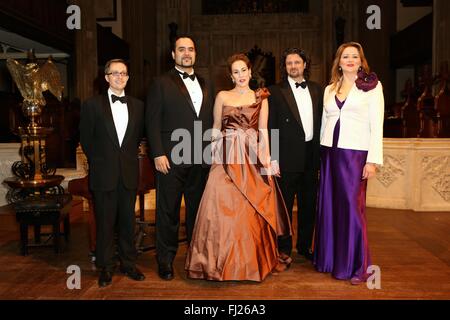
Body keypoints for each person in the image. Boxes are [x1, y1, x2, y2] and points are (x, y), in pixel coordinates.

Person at [185, 53, 292, 282]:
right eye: (236, 72)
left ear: (250, 72)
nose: (241, 75)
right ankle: (218, 263)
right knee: (220, 207)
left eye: (244, 70)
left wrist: (268, 161)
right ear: (231, 75)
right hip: (225, 155)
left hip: (251, 156)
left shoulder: (261, 97)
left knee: (249, 210)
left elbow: (263, 131)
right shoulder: (222, 96)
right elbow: (215, 127)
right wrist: (211, 153)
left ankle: (248, 265)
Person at [313, 42, 384, 284]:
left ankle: (356, 266)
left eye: (355, 56)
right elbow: (325, 122)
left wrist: (372, 161)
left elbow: (377, 126)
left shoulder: (372, 87)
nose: (351, 60)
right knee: (330, 206)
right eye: (346, 56)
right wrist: (319, 156)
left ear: (361, 61)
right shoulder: (329, 89)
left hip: (355, 156)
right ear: (339, 61)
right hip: (330, 154)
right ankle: (330, 260)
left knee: (353, 208)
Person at [146, 35, 214, 281]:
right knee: (168, 212)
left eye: (191, 49)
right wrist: (157, 153)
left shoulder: (207, 83)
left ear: (195, 54)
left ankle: (196, 259)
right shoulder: (160, 82)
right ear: (173, 54)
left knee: (199, 212)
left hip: (201, 158)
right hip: (171, 158)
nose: (187, 53)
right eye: (181, 49)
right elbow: (152, 121)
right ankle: (165, 261)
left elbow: (210, 121)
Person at [79, 59, 145, 287]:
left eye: (124, 73)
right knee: (105, 224)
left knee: (128, 222)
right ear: (106, 77)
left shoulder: (138, 105)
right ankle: (105, 267)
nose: (120, 77)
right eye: (115, 73)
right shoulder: (92, 105)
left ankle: (129, 264)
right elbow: (86, 140)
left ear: (128, 77)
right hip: (103, 174)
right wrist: (100, 162)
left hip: (128, 173)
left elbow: (136, 139)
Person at [268, 48, 323, 262]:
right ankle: (283, 249)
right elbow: (271, 126)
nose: (293, 66)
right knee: (284, 207)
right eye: (289, 63)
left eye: (297, 62)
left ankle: (304, 247)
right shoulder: (275, 91)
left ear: (304, 65)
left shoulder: (318, 90)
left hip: (311, 156)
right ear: (285, 67)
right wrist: (273, 158)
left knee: (309, 205)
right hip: (286, 158)